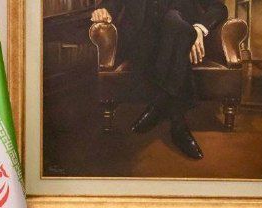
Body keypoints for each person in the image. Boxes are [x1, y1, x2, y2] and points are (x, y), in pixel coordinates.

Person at [90, 0, 228, 160]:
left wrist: (198, 28)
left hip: (178, 34)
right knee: (177, 28)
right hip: (141, 41)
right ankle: (176, 124)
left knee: (174, 22)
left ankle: (162, 108)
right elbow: (112, 3)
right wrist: (103, 10)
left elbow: (219, 8)